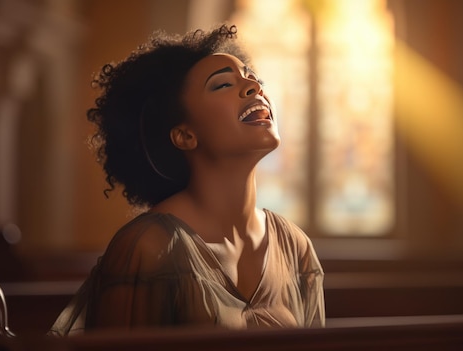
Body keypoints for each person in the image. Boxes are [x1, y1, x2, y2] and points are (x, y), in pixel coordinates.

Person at [48, 24, 325, 336]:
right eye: (222, 85)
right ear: (184, 135)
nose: (253, 87)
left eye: (253, 78)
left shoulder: (295, 246)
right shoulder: (149, 247)